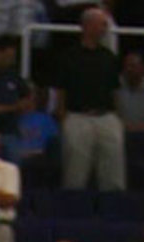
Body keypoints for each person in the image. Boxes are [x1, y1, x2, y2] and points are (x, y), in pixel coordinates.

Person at [59, 7, 125, 192]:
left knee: (113, 168)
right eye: (101, 24)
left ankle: (113, 208)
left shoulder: (109, 57)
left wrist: (117, 116)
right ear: (87, 26)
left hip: (106, 116)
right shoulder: (69, 56)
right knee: (76, 170)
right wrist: (62, 114)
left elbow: (114, 89)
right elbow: (61, 89)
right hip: (78, 116)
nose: (104, 28)